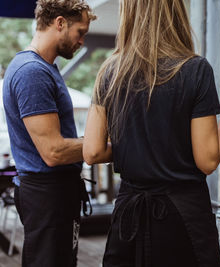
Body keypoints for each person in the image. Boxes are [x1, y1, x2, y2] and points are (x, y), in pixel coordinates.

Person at [83, 0, 220, 266]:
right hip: (182, 218)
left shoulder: (110, 71)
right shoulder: (195, 69)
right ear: (176, 13)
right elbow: (207, 160)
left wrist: (137, 149)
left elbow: (92, 151)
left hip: (129, 216)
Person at [2, 0, 96, 266]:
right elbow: (53, 152)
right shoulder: (32, 72)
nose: (81, 42)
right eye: (81, 32)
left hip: (56, 193)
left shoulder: (45, 68)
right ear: (60, 23)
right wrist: (107, 145)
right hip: (46, 196)